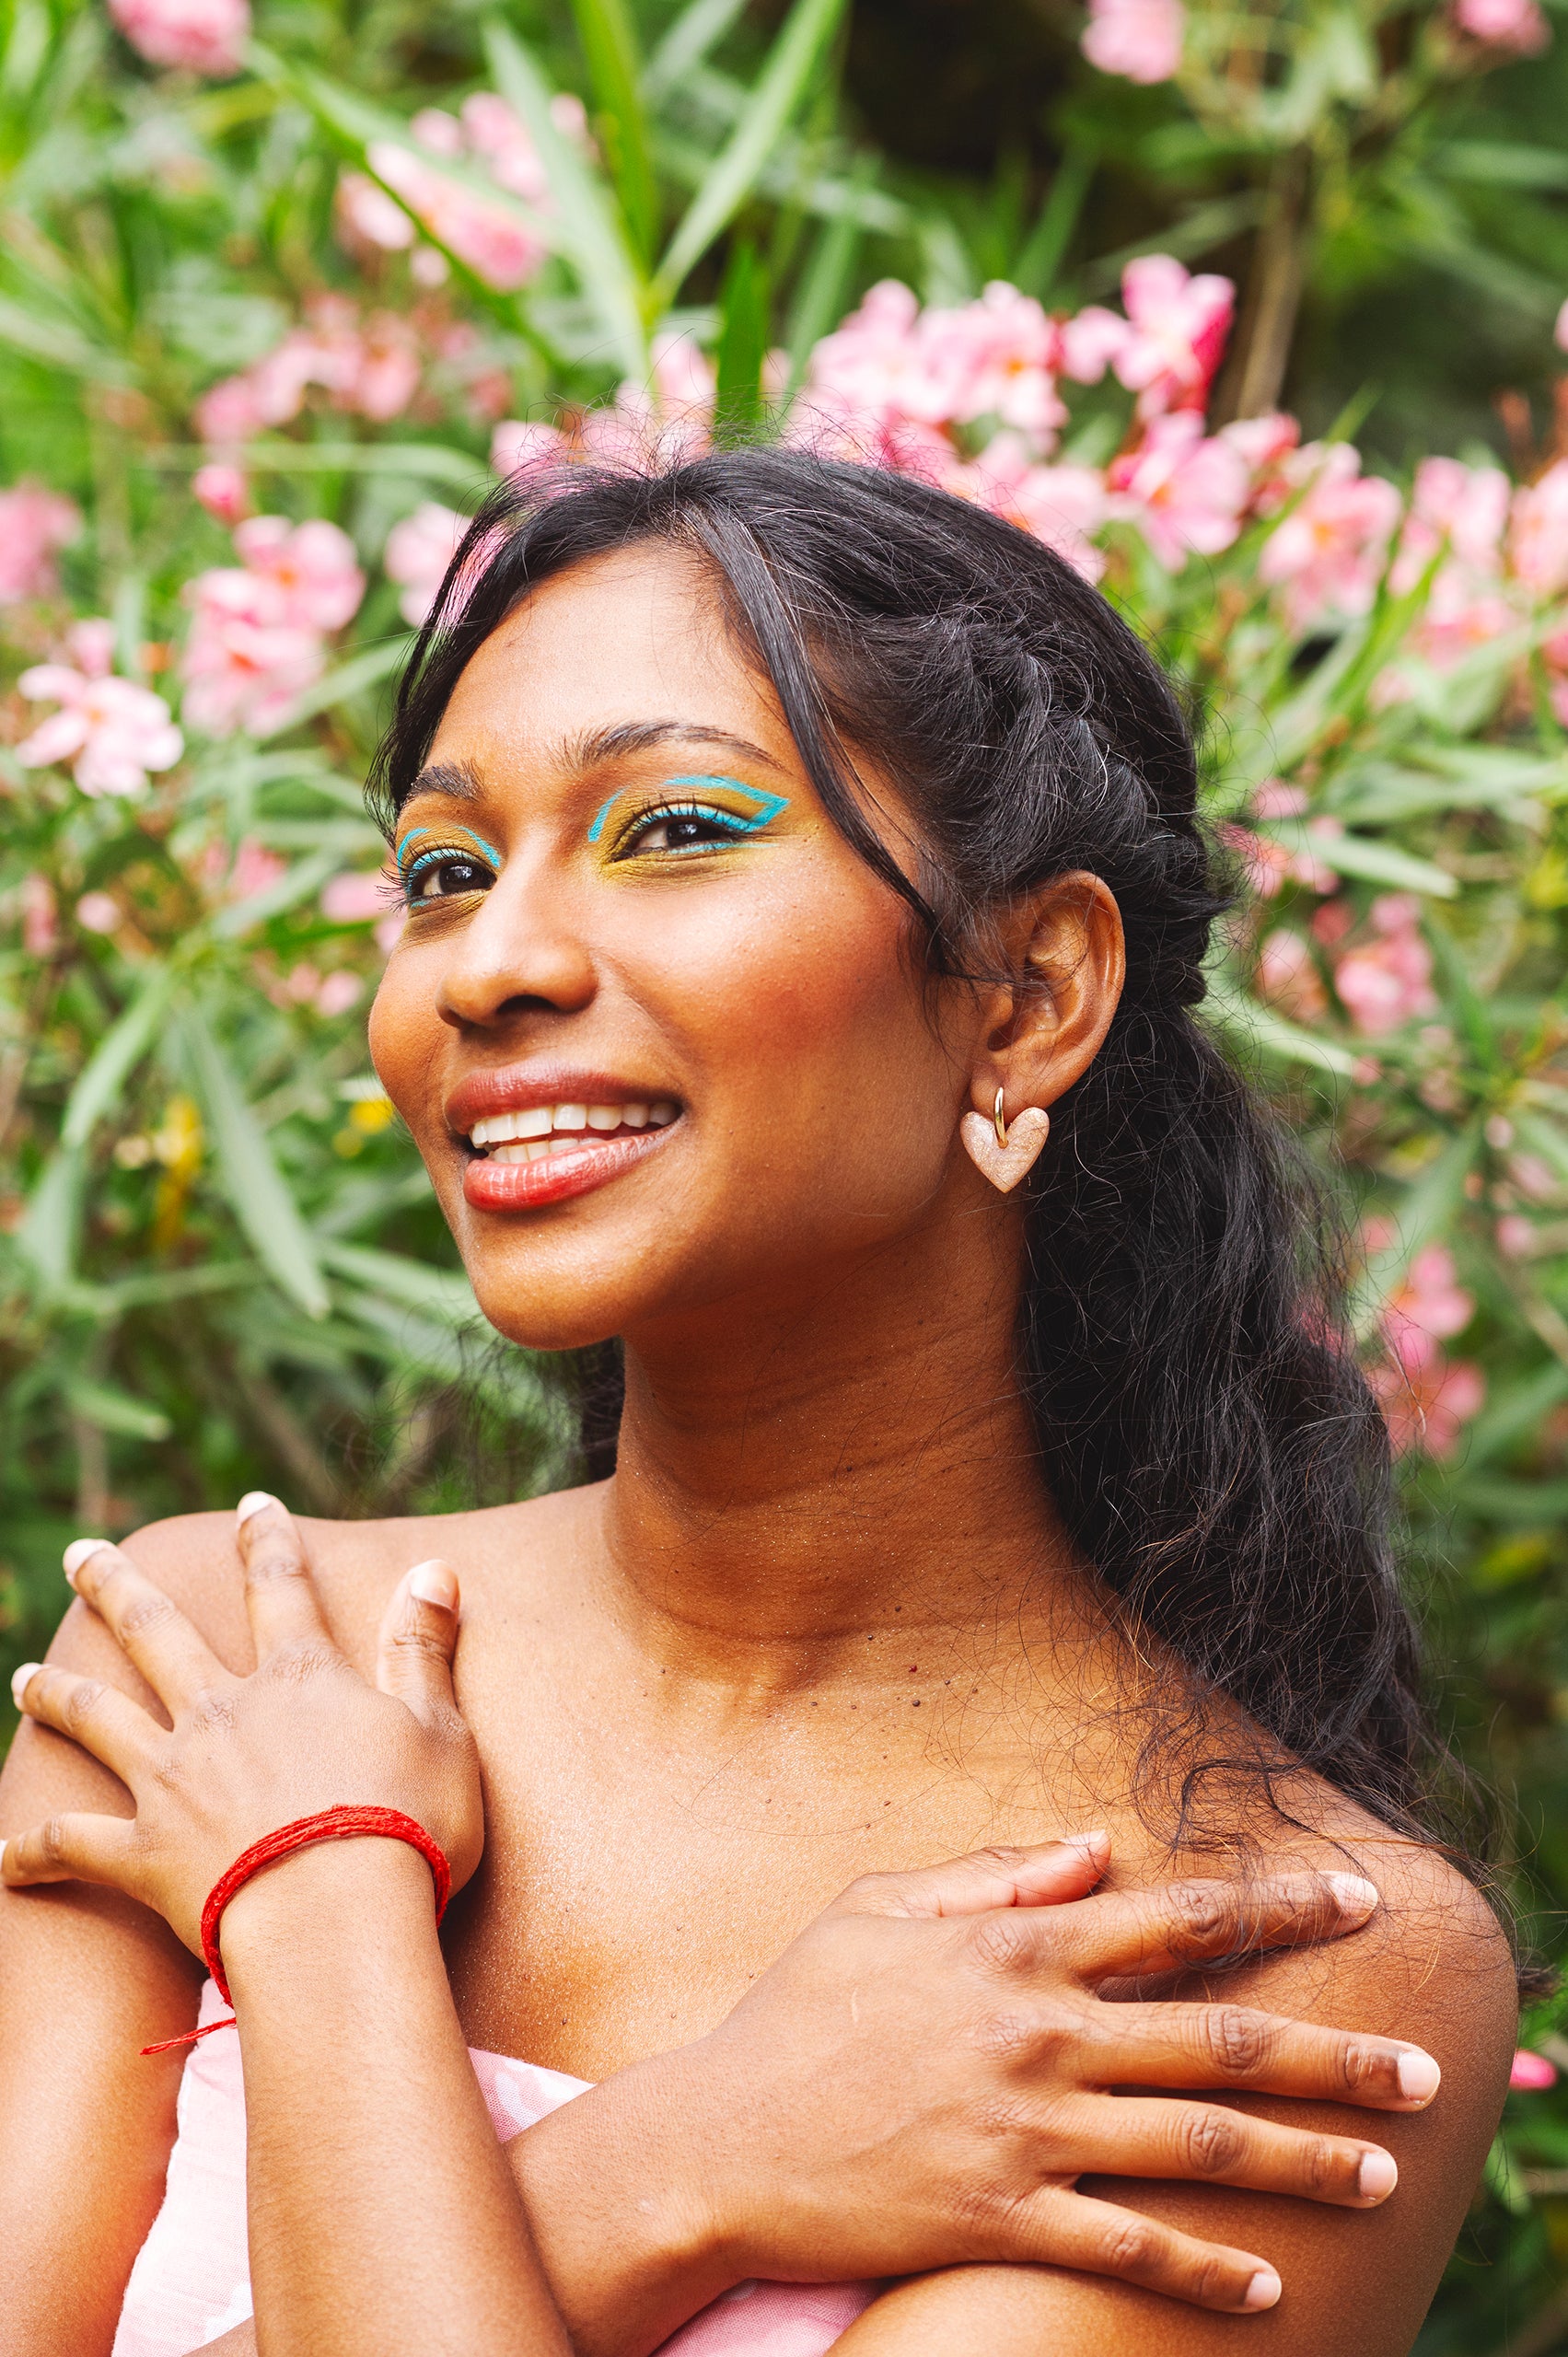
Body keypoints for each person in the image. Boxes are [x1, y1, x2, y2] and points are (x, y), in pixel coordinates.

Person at [0, 449, 1518, 2357]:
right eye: (445, 873)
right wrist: (672, 2154)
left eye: (676, 827)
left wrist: (300, 1905)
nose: (494, 963)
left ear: (1029, 992)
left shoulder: (1251, 1946)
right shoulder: (215, 1661)